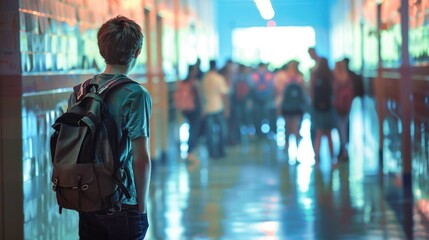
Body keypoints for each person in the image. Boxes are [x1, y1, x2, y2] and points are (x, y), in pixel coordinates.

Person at [75, 16, 152, 240]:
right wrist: (142, 206)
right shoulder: (135, 94)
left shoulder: (82, 90)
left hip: (87, 199)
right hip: (122, 202)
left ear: (101, 50)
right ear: (137, 52)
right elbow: (141, 159)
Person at [310, 57, 336, 165]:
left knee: (319, 133)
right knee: (328, 134)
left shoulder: (314, 75)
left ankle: (317, 159)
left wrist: (313, 104)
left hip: (317, 107)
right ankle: (332, 159)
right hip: (328, 107)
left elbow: (311, 91)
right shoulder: (331, 75)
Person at [203, 60, 230, 158]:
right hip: (218, 107)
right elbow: (224, 95)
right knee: (223, 131)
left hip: (207, 108)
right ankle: (221, 150)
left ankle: (211, 152)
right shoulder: (219, 78)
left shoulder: (205, 78)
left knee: (210, 133)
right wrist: (227, 109)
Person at [180, 64, 204, 163]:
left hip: (186, 109)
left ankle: (191, 150)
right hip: (194, 108)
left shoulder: (183, 82)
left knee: (191, 128)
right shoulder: (195, 82)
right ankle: (190, 152)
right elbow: (199, 97)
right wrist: (203, 109)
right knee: (194, 129)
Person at [280, 60, 306, 150]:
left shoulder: (286, 77)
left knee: (291, 126)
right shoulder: (299, 77)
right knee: (290, 126)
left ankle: (290, 146)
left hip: (291, 105)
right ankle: (290, 145)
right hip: (292, 105)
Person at [333, 60, 354, 161]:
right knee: (344, 127)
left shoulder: (336, 78)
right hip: (347, 106)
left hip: (338, 106)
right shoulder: (347, 77)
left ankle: (344, 151)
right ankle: (344, 149)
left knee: (341, 129)